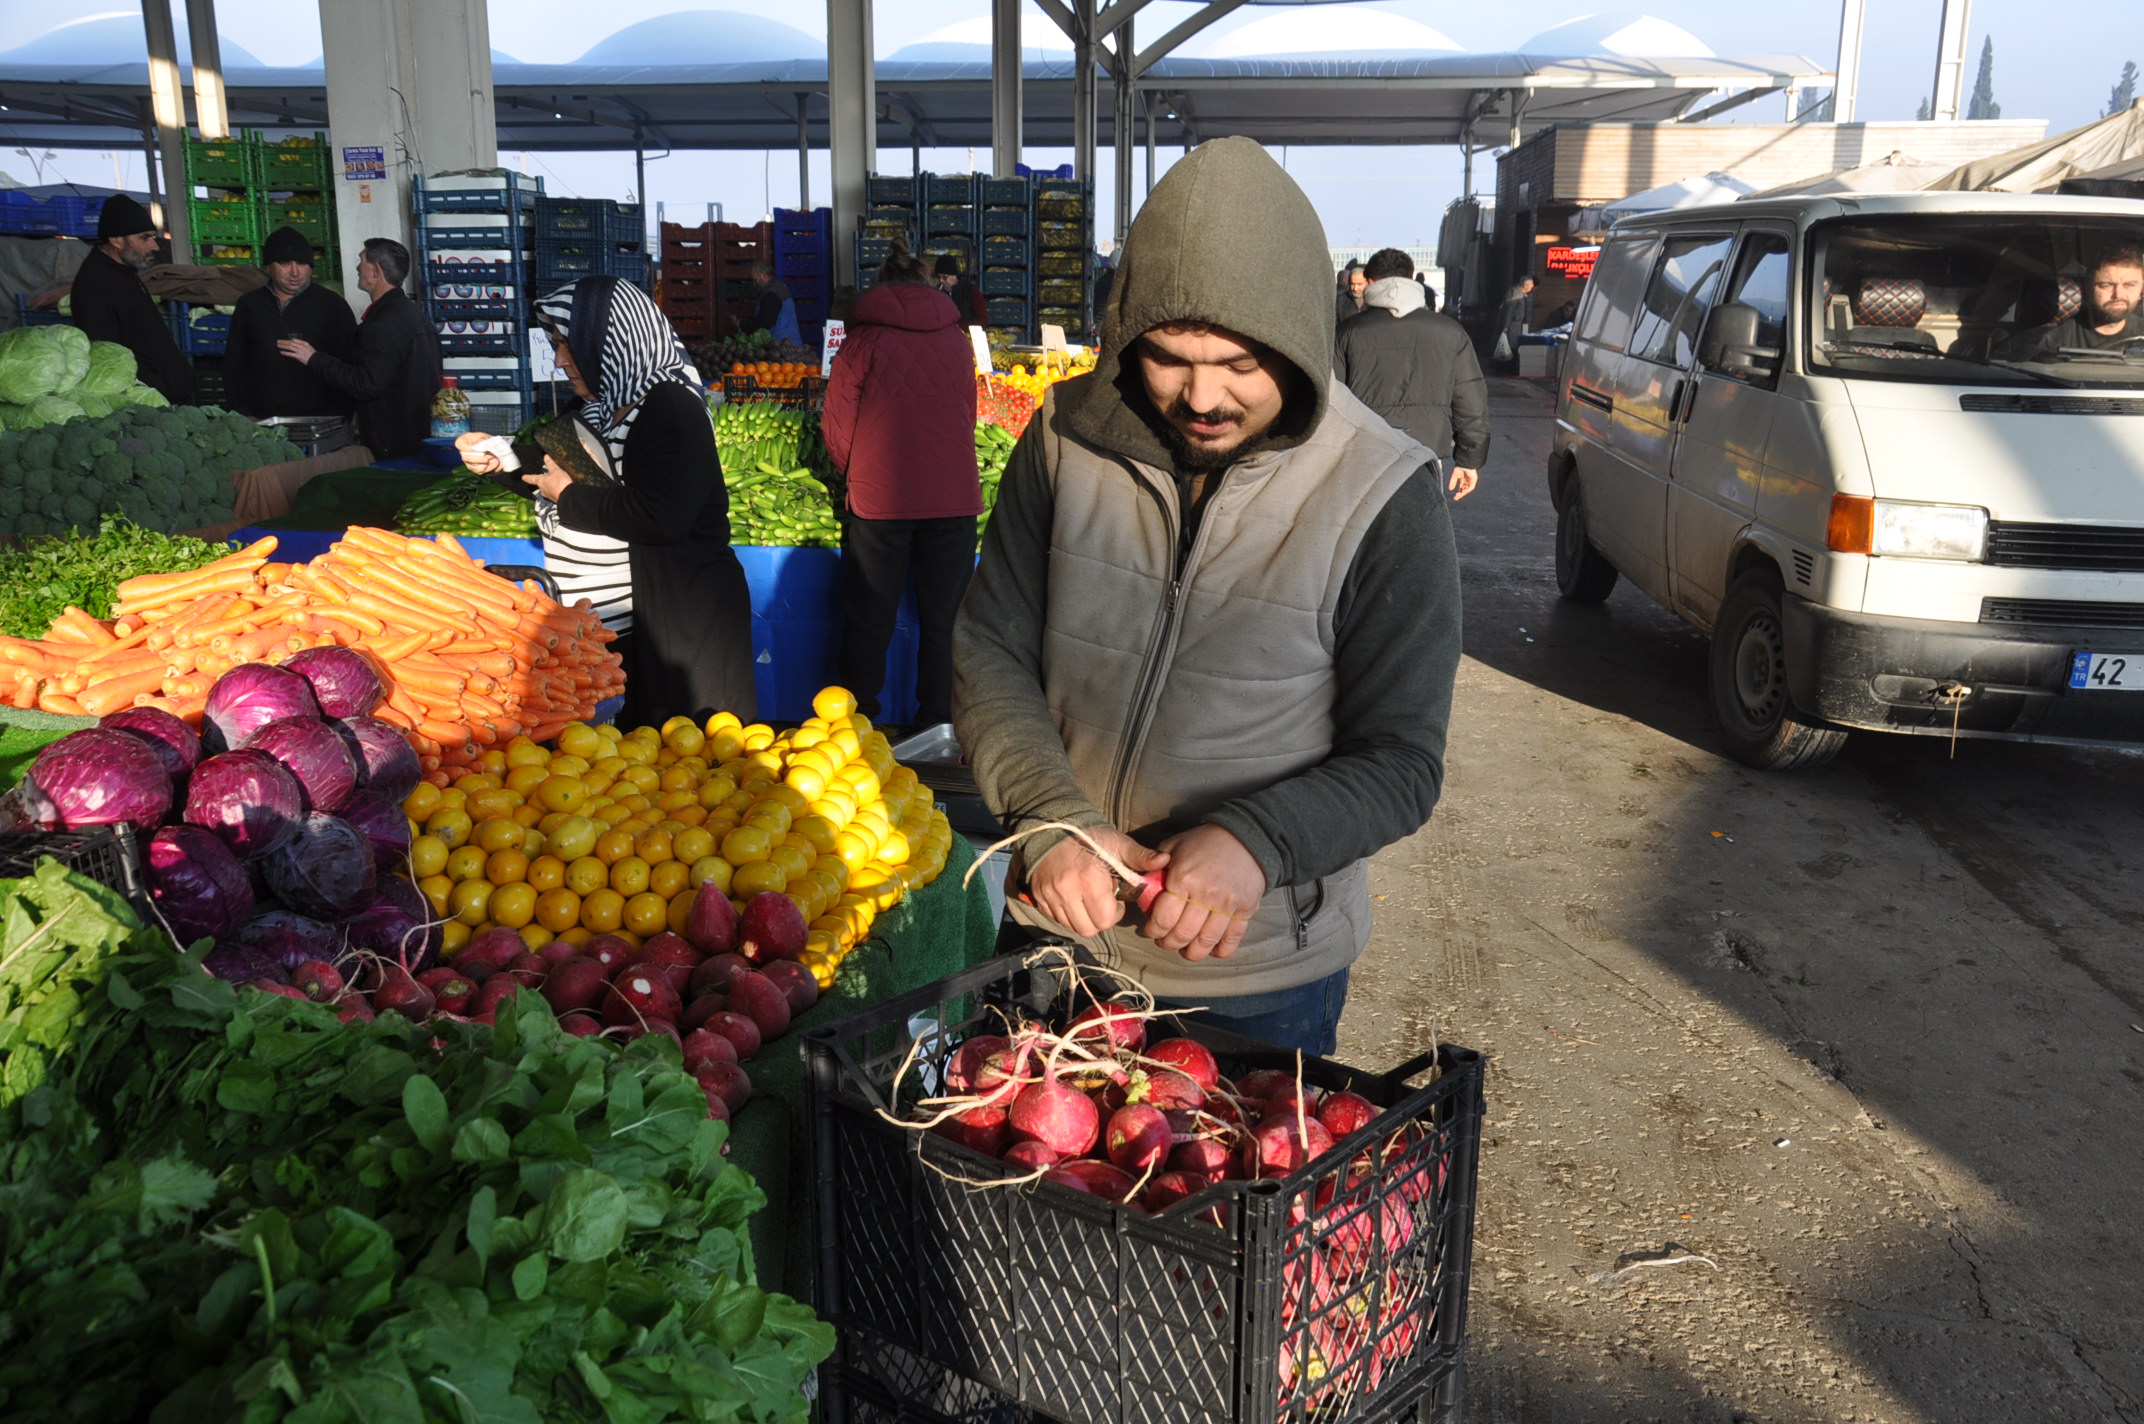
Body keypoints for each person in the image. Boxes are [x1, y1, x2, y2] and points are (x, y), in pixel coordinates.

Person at [953, 137, 1462, 1056]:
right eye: (1169, 358)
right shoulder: (1065, 442)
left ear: (1303, 335)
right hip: (1054, 941)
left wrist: (1256, 841)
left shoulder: (1385, 491)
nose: (1202, 397)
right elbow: (990, 649)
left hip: (1255, 983)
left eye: (1239, 364)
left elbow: (1401, 760)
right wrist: (1051, 818)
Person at [456, 275, 757, 726]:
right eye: (556, 344)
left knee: (686, 761)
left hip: (681, 623)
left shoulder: (670, 409)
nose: (559, 360)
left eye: (568, 345)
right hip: (616, 629)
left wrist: (569, 497)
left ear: (611, 341)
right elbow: (564, 471)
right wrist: (503, 460)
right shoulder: (601, 404)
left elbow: (661, 515)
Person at [821, 244, 981, 732]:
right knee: (945, 621)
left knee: (870, 619)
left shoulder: (864, 340)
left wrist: (860, 471)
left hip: (881, 498)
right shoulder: (957, 340)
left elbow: (835, 424)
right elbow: (967, 416)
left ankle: (858, 725)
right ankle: (937, 726)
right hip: (952, 496)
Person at [1336, 247, 1490, 501]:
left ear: (1371, 282)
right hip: (1426, 455)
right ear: (1411, 278)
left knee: (1365, 535)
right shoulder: (1451, 332)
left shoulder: (1349, 332)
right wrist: (1468, 461)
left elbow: (1333, 398)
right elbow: (1470, 399)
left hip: (1364, 455)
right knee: (1421, 533)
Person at [277, 238, 439, 459]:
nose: (357, 266)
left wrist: (313, 358)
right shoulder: (412, 315)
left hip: (393, 445)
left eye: (361, 260)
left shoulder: (384, 324)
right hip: (414, 437)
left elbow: (366, 384)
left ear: (375, 269)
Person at [70, 194, 195, 404]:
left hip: (166, 393)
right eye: (144, 238)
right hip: (149, 401)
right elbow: (107, 355)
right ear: (116, 240)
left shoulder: (124, 273)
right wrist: (156, 388)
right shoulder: (95, 285)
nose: (155, 246)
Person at [222, 226, 357, 419]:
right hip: (260, 420)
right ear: (268, 266)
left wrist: (335, 417)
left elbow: (349, 369)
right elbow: (233, 363)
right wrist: (242, 411)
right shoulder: (250, 305)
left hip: (318, 421)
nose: (295, 272)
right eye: (285, 263)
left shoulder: (332, 306)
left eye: (302, 263)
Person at [2006, 246, 2144, 356]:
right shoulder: (2052, 339)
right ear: (2087, 288)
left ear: (2141, 289)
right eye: (2106, 285)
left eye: (2130, 285)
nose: (2118, 294)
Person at [743, 261, 802, 345]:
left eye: (755, 280)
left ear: (762, 275)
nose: (755, 284)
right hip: (790, 340)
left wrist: (743, 324)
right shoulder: (778, 286)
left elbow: (765, 321)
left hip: (782, 343)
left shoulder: (772, 294)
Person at [932, 254, 989, 325]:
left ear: (954, 275)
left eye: (944, 277)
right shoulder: (936, 292)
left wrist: (959, 327)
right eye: (938, 277)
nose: (941, 280)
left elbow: (983, 319)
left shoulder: (971, 291)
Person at [1498, 274, 1536, 364]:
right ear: (1525, 285)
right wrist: (1506, 325)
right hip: (1512, 324)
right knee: (1511, 346)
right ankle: (1507, 366)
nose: (1533, 286)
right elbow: (1509, 310)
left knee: (1513, 345)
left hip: (1516, 324)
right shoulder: (1516, 294)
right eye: (1531, 284)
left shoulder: (1520, 293)